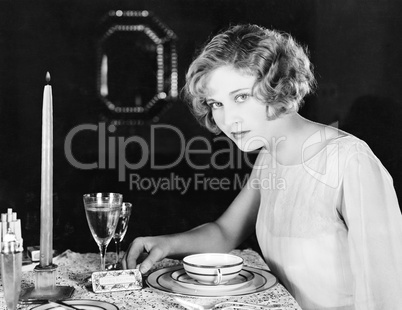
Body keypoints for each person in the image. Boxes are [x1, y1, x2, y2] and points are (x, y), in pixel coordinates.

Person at [122, 24, 402, 309]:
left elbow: (386, 294)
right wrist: (166, 244)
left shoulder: (349, 161)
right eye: (216, 103)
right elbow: (225, 232)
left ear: (279, 87)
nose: (228, 120)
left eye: (241, 97)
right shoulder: (269, 156)